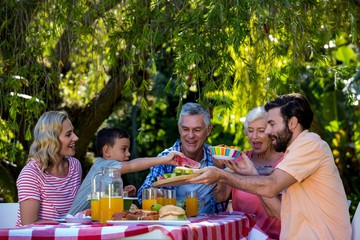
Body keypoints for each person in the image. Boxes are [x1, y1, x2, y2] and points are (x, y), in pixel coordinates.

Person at [188, 93, 351, 239]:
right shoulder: (294, 153)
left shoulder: (311, 144)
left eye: (272, 124)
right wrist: (251, 172)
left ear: (292, 123)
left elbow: (271, 185)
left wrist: (222, 175)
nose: (267, 132)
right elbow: (276, 212)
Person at [68, 127, 185, 215]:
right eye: (123, 149)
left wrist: (122, 193)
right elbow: (131, 166)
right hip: (73, 221)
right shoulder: (104, 165)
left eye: (128, 149)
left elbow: (105, 200)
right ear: (107, 151)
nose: (128, 154)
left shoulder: (110, 172)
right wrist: (165, 159)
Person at [137, 102, 226, 214]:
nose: (190, 136)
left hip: (209, 227)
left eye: (197, 130)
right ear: (179, 129)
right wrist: (156, 192)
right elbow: (142, 195)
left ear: (208, 130)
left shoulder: (218, 158)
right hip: (174, 226)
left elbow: (224, 198)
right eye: (185, 129)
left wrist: (219, 170)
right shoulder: (166, 158)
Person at [213, 106, 283, 239]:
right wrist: (219, 170)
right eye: (250, 131)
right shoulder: (240, 159)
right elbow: (220, 197)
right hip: (243, 235)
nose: (254, 137)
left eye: (261, 131)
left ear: (271, 132)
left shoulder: (285, 162)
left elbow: (282, 213)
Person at [16, 111, 82, 226]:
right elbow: (29, 224)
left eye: (73, 132)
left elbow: (73, 213)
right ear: (51, 140)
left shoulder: (75, 166)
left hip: (67, 235)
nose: (75, 138)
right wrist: (67, 224)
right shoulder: (30, 174)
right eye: (68, 134)